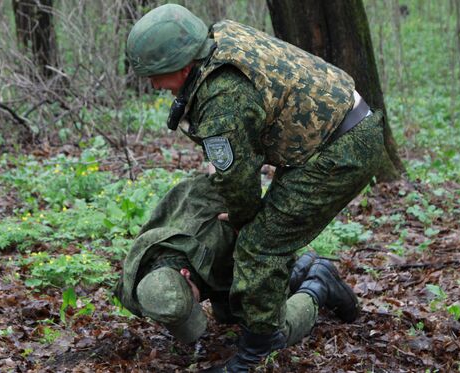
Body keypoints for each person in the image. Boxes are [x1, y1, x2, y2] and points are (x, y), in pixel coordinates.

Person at [126, 4, 384, 371]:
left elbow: (239, 181)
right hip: (324, 136)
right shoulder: (216, 41)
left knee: (258, 244)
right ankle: (303, 272)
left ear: (182, 66)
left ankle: (260, 348)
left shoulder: (222, 100)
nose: (153, 85)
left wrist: (242, 221)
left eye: (156, 75)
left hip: (342, 150)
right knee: (258, 239)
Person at [114, 174, 355, 364]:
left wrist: (244, 220)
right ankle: (298, 272)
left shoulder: (214, 236)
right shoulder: (136, 284)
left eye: (193, 302)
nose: (196, 307)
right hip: (218, 262)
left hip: (252, 251)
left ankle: (318, 284)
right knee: (229, 315)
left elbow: (233, 179)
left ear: (186, 275)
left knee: (269, 334)